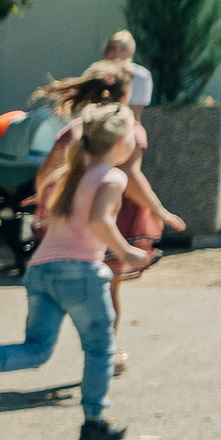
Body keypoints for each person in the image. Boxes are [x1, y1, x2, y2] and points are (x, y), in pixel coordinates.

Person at [0, 103, 142, 440]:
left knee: (37, 348)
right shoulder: (112, 176)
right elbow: (99, 220)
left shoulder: (69, 175)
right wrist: (128, 252)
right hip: (79, 273)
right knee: (100, 348)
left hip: (41, 270)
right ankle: (94, 422)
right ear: (119, 144)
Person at [33, 61, 185, 374]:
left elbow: (46, 172)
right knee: (108, 289)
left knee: (70, 287)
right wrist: (159, 210)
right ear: (125, 96)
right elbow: (132, 176)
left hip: (71, 217)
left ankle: (45, 347)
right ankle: (107, 354)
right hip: (116, 218)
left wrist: (43, 201)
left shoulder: (75, 129)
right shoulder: (128, 130)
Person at [104, 30, 154, 111]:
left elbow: (135, 113)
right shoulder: (98, 73)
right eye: (112, 49)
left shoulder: (140, 76)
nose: (117, 54)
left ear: (131, 52)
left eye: (122, 50)